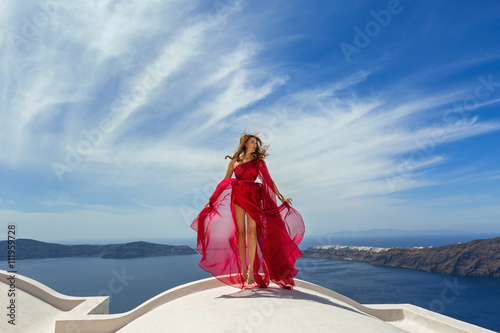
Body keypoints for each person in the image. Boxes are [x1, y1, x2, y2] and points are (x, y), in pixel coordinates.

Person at [190, 132, 305, 290]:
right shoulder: (234, 162)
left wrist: (281, 197)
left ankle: (251, 270)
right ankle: (243, 268)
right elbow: (225, 181)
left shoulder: (259, 162)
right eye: (252, 142)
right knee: (241, 233)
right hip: (238, 197)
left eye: (256, 143)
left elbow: (269, 181)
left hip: (254, 197)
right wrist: (212, 200)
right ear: (245, 143)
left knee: (252, 233)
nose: (255, 145)